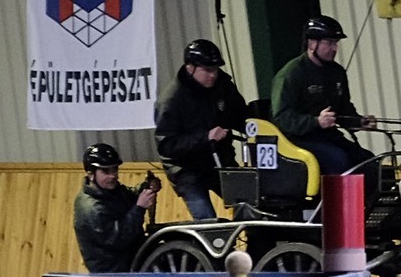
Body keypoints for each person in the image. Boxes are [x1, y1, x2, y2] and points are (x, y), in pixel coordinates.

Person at [269, 14, 381, 202]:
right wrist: (316, 122)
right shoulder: (291, 74)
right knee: (338, 160)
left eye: (335, 43)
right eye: (329, 43)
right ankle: (336, 211)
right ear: (312, 43)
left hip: (328, 137)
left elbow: (343, 109)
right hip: (296, 140)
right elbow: (281, 117)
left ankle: (368, 210)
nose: (334, 48)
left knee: (370, 162)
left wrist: (359, 121)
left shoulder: (337, 72)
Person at [155, 38, 248, 220]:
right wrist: (206, 137)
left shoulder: (222, 85)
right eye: (207, 70)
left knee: (249, 203)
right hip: (186, 169)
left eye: (215, 69)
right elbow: (167, 145)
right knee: (207, 220)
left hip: (220, 161)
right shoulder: (171, 100)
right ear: (190, 67)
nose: (213, 75)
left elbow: (240, 114)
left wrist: (255, 126)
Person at [73, 142, 158, 273]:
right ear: (91, 174)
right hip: (114, 272)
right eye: (106, 171)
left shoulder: (111, 189)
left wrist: (145, 187)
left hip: (131, 261)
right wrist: (139, 208)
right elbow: (118, 238)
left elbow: (129, 195)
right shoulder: (90, 208)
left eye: (115, 169)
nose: (113, 175)